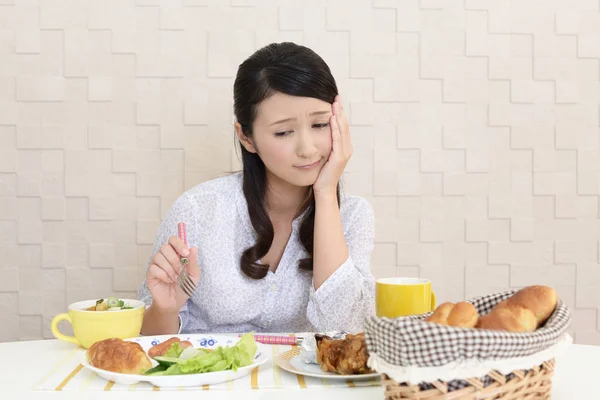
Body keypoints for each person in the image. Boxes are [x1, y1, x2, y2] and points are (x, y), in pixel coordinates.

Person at [137, 42, 375, 335]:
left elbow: (346, 331)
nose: (307, 148)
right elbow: (147, 345)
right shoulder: (199, 210)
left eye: (320, 124)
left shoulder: (352, 216)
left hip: (298, 382)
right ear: (246, 137)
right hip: (206, 378)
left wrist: (325, 194)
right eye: (283, 132)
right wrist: (165, 309)